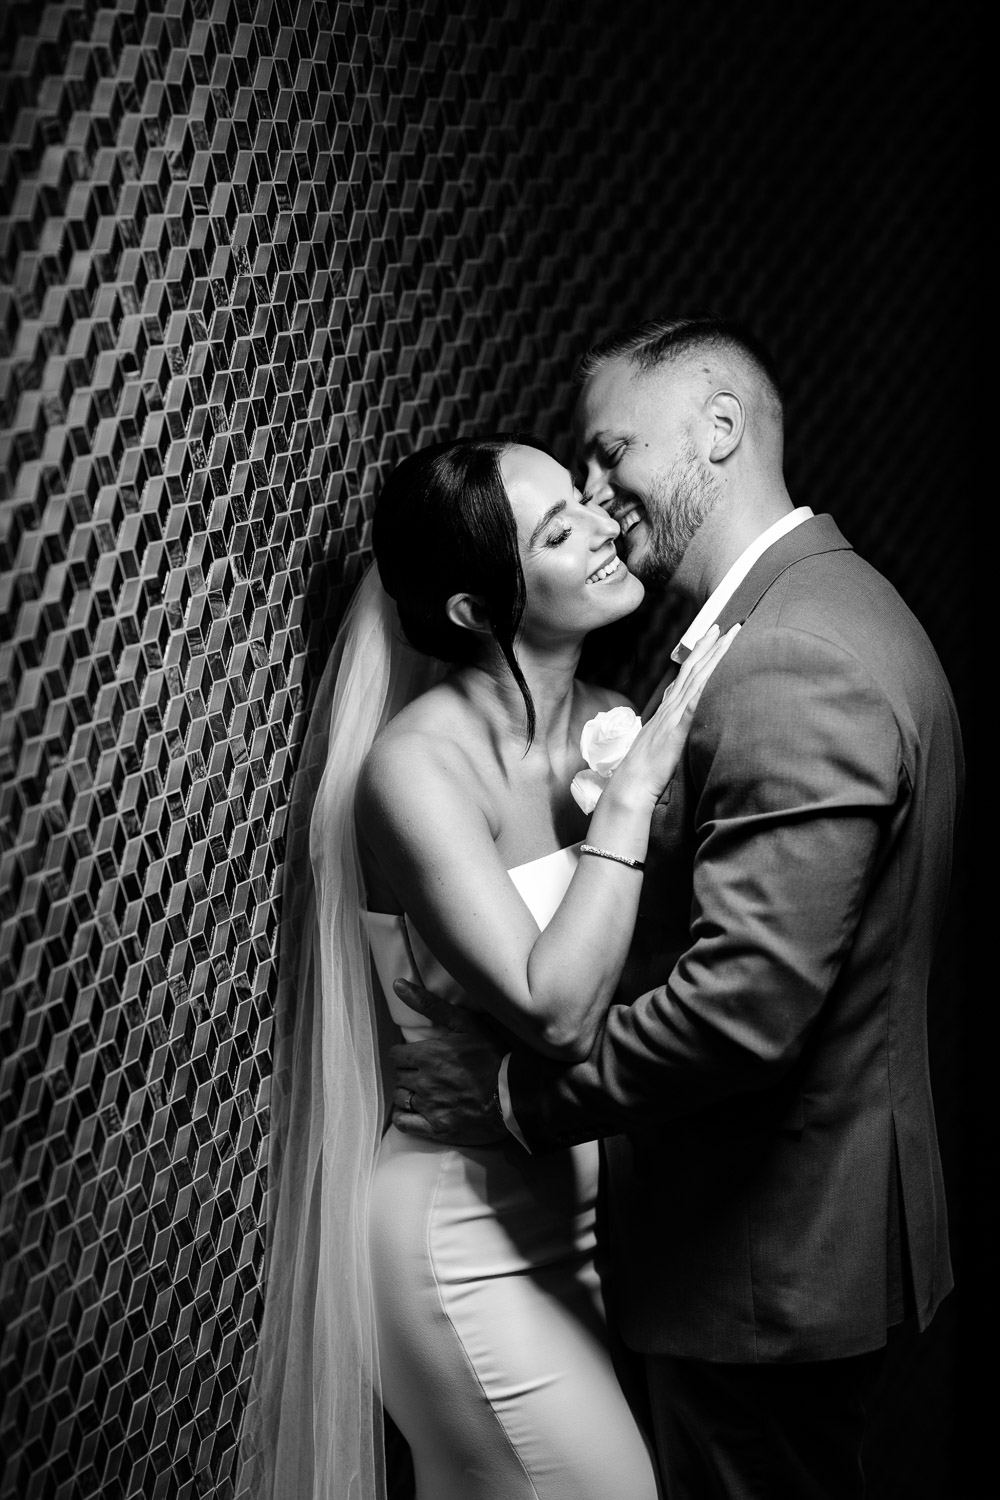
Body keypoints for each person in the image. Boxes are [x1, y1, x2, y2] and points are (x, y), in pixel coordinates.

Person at [390, 317, 965, 1499]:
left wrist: (512, 1098)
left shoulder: (796, 658)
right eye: (571, 489)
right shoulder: (820, 612)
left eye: (608, 455)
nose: (601, 499)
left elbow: (740, 1009)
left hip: (765, 1263)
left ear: (717, 429)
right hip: (750, 1248)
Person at [239, 432, 737, 1499]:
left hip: (598, 1222)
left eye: (583, 505)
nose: (605, 528)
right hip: (461, 1238)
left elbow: (675, 972)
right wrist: (636, 800)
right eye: (559, 532)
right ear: (474, 610)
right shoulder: (418, 769)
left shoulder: (614, 726)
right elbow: (556, 1012)